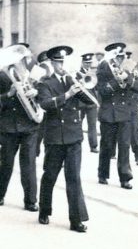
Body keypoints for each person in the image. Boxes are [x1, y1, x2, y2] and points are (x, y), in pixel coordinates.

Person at [37, 45, 92, 232]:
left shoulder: (73, 80)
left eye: (64, 62)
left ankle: (76, 219)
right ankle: (44, 209)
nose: (62, 66)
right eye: (59, 62)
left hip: (74, 136)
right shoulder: (44, 83)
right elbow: (45, 104)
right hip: (55, 137)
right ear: (52, 63)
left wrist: (81, 88)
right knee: (50, 176)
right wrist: (67, 94)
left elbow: (92, 102)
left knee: (74, 178)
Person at [0, 44, 39, 211]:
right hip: (9, 126)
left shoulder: (32, 73)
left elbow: (44, 94)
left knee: (29, 163)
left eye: (21, 56)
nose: (19, 60)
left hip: (29, 125)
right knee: (5, 163)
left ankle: (30, 201)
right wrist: (8, 95)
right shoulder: (2, 75)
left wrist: (35, 92)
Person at [97, 43, 134, 189]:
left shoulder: (126, 68)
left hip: (124, 112)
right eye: (117, 56)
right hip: (109, 112)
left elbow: (133, 85)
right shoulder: (103, 68)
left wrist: (127, 78)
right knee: (107, 145)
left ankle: (125, 177)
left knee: (125, 146)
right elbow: (102, 90)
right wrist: (117, 81)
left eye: (121, 56)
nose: (119, 59)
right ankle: (103, 173)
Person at [77, 53, 99, 153]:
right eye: (86, 63)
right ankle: (78, 142)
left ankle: (93, 145)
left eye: (89, 63)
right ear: (82, 63)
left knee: (92, 125)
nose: (88, 65)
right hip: (80, 102)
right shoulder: (77, 73)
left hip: (91, 102)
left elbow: (95, 88)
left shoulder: (93, 73)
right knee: (78, 124)